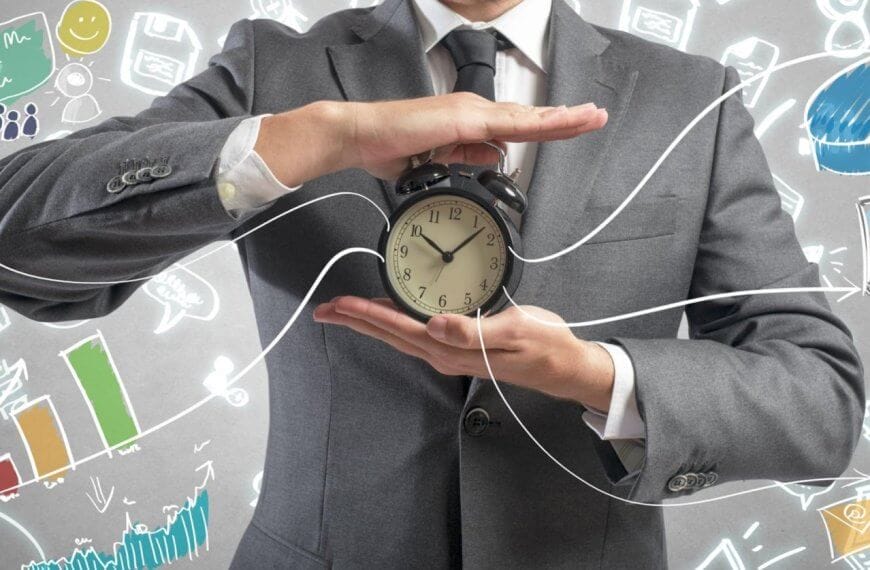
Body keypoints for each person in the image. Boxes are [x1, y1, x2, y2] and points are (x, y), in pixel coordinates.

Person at [0, 0, 863, 567]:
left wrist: (596, 375)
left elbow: (821, 403)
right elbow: (16, 238)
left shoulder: (687, 99)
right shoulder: (278, 71)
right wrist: (313, 140)